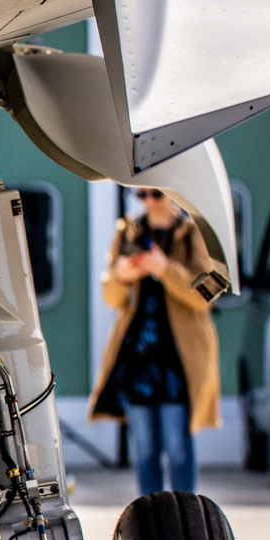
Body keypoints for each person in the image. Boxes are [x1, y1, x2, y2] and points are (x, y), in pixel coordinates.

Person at [88, 187, 220, 496]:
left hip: (178, 359)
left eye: (155, 194)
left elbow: (205, 296)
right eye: (141, 195)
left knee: (177, 445)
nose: (148, 201)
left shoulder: (191, 232)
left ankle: (185, 514)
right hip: (138, 357)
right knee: (144, 448)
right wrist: (122, 276)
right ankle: (150, 515)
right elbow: (111, 298)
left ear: (170, 194)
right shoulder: (128, 231)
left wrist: (165, 269)